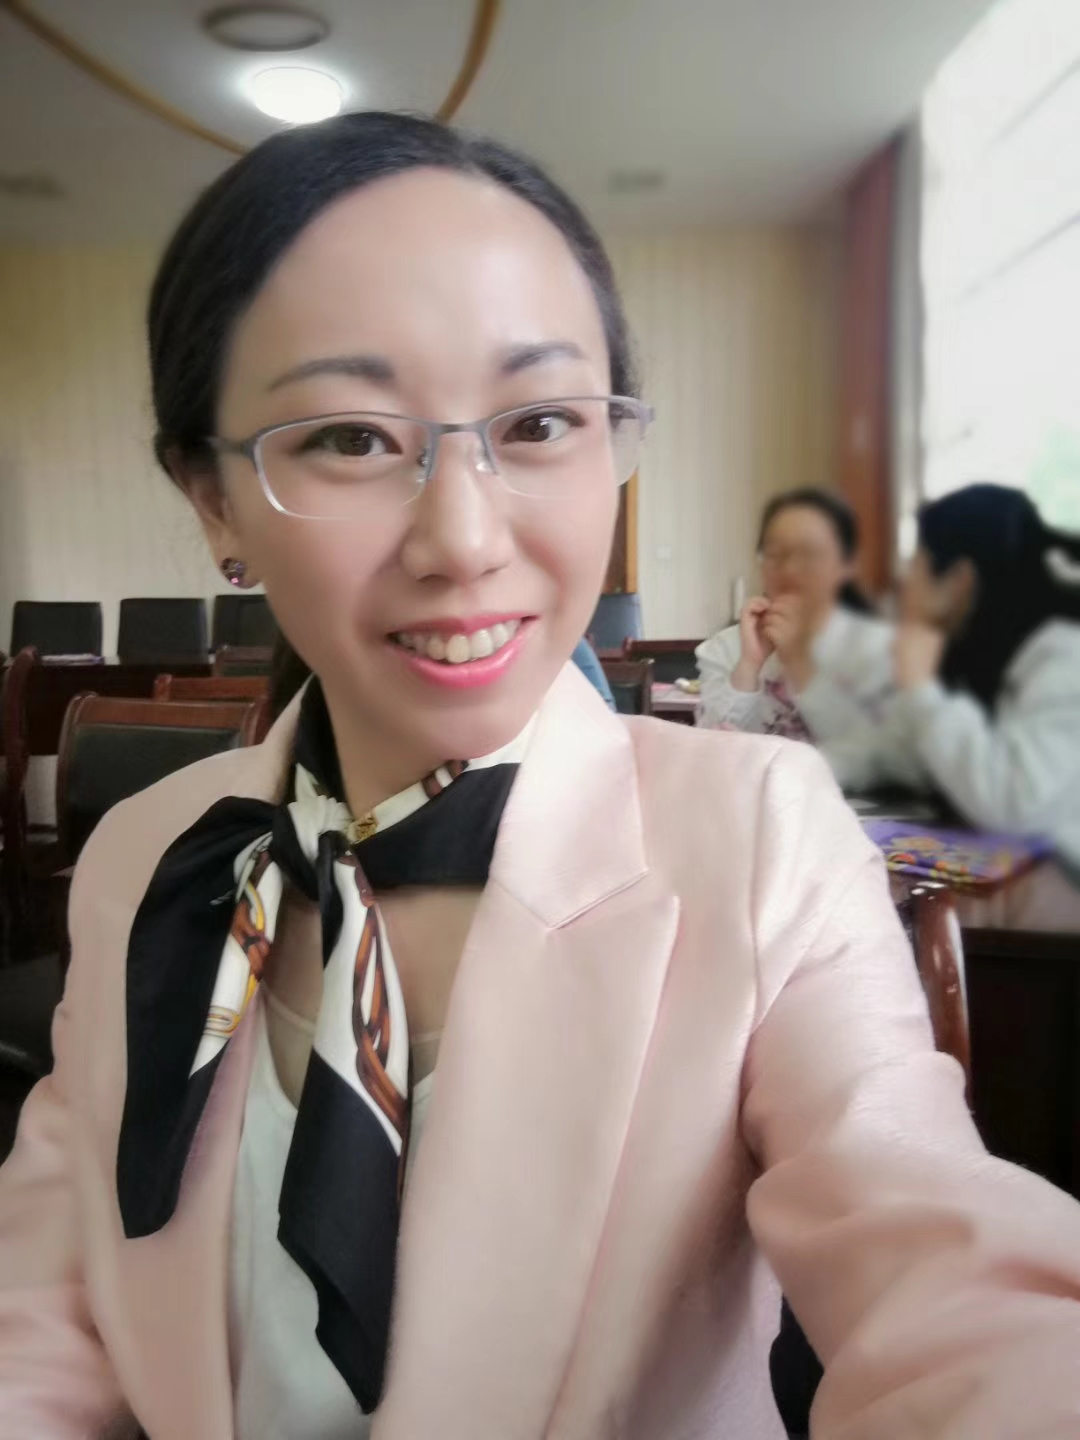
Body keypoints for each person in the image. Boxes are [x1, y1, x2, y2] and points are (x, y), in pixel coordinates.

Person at [2, 114, 1080, 1440]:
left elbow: (939, 1267)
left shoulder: (757, 838)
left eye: (540, 421)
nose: (464, 539)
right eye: (349, 437)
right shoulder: (144, 855)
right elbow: (43, 1324)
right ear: (214, 498)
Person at [864, 484, 1080, 865]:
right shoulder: (975, 651)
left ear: (959, 579)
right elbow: (900, 753)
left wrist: (922, 691)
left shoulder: (1064, 655)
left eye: (916, 563)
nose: (903, 582)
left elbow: (1014, 803)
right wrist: (810, 766)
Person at [695, 490, 921, 785]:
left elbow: (885, 763)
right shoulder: (724, 649)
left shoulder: (880, 649)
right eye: (775, 554)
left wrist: (801, 666)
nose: (790, 570)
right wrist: (749, 666)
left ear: (846, 565)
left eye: (810, 554)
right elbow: (711, 761)